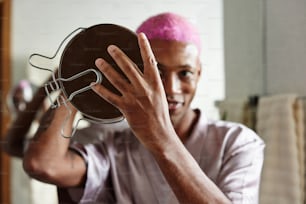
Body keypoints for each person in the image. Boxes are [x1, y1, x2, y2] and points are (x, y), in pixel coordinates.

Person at [23, 12, 265, 203]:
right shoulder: (115, 149)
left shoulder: (237, 143)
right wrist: (74, 80)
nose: (170, 88)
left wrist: (159, 136)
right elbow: (43, 165)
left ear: (199, 73)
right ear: (132, 74)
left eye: (185, 73)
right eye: (157, 72)